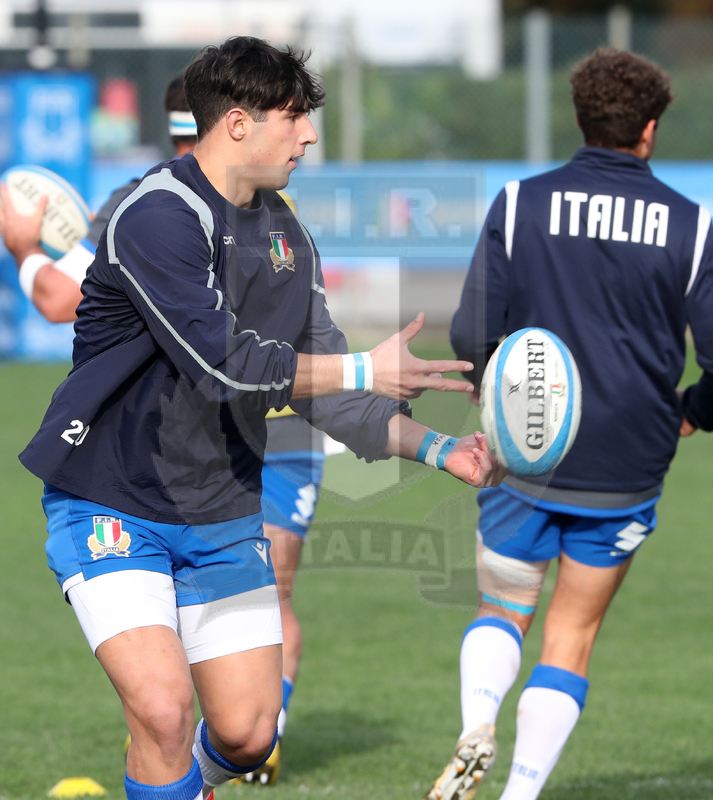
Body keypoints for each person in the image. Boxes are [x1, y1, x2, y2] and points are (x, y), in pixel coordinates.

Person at [19, 36, 501, 800]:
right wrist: (361, 367)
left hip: (219, 510)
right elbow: (224, 366)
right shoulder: (157, 214)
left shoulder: (285, 235)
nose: (308, 135)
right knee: (162, 709)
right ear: (237, 124)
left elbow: (332, 396)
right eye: (294, 118)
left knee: (247, 735)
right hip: (110, 499)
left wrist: (445, 451)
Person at [1, 70, 324, 786]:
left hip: (234, 441)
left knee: (232, 723)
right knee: (167, 707)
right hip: (246, 438)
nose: (302, 137)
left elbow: (61, 300)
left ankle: (228, 749)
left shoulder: (157, 201)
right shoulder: (269, 209)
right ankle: (209, 753)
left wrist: (23, 248)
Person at [425, 46, 713, 800]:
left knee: (502, 606)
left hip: (526, 449)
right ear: (648, 130)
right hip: (627, 460)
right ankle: (520, 793)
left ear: (580, 119)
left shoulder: (520, 203)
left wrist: (493, 391)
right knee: (572, 634)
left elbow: (467, 334)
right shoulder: (693, 224)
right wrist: (691, 412)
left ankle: (475, 721)